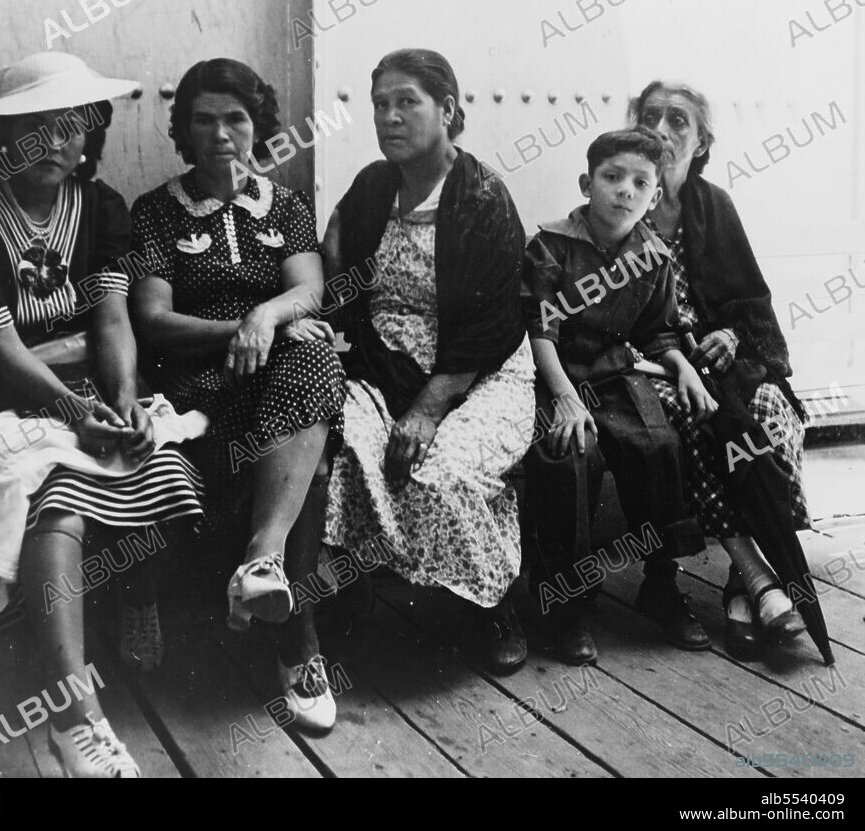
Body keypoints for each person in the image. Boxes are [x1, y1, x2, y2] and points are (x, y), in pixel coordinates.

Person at [0, 52, 205, 778]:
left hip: (91, 385)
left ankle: (135, 591)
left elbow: (114, 320)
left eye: (73, 128)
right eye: (38, 128)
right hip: (1, 394)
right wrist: (75, 411)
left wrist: (120, 400)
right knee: (57, 499)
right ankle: (74, 716)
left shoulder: (101, 207)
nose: (58, 143)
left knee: (153, 450)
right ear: (2, 135)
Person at [129, 58, 345, 731]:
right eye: (203, 119)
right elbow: (152, 317)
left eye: (236, 118)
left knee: (308, 351)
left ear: (260, 127)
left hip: (276, 376)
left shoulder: (283, 206)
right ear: (184, 130)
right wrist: (236, 329)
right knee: (302, 462)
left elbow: (309, 289)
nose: (221, 133)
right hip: (197, 386)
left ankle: (261, 562)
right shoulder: (157, 212)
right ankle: (297, 645)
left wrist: (265, 318)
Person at [322, 48, 536, 674]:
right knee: (352, 451)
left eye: (406, 101)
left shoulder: (483, 197)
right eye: (380, 104)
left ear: (447, 109)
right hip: (383, 363)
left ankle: (491, 602)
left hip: (478, 372)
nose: (390, 117)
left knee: (439, 469)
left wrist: (426, 410)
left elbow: (493, 325)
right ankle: (351, 599)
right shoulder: (371, 186)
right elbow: (341, 264)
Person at [630, 81, 811, 658]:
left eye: (678, 121)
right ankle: (762, 583)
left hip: (718, 362)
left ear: (701, 140)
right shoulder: (622, 195)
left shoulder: (715, 206)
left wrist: (732, 334)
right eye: (651, 117)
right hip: (654, 366)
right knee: (697, 420)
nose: (662, 130)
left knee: (772, 414)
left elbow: (751, 304)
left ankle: (741, 586)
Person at [521, 128, 714, 666]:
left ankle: (659, 583)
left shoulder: (652, 256)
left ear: (654, 196)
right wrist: (562, 396)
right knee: (569, 456)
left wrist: (685, 371)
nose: (624, 190)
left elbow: (660, 332)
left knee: (658, 444)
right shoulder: (552, 244)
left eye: (639, 182)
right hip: (555, 373)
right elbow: (540, 331)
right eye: (612, 177)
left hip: (614, 373)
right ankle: (569, 603)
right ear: (588, 183)